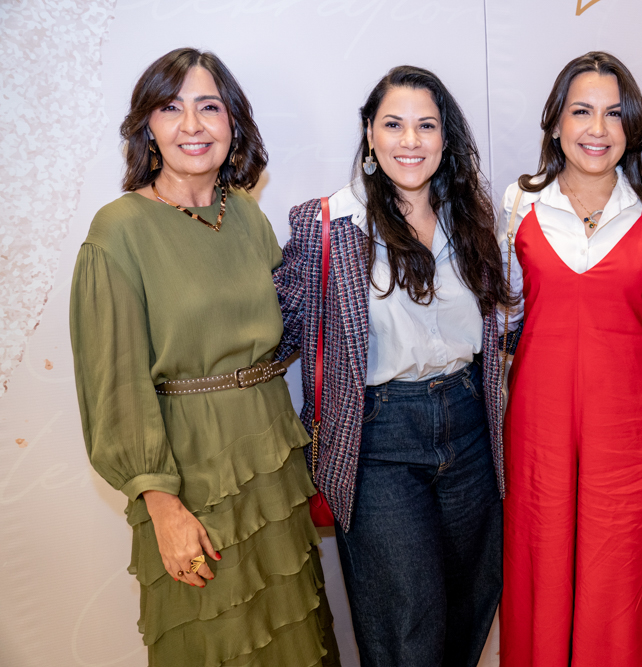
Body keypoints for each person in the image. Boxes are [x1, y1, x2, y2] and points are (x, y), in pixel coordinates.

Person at [69, 48, 340, 666]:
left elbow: (292, 328)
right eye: (171, 108)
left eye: (209, 107)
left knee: (294, 634)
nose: (192, 125)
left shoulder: (245, 213)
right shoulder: (118, 231)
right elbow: (113, 384)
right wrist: (161, 504)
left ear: (233, 123)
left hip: (272, 461)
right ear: (148, 128)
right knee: (214, 640)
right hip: (189, 471)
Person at [272, 66, 510, 667]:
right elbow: (275, 333)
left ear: (446, 139)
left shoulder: (474, 221)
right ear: (370, 136)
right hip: (378, 438)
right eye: (395, 125)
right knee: (406, 630)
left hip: (470, 426)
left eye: (426, 126)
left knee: (469, 609)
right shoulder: (328, 225)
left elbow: (507, 321)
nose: (411, 140)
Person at [498, 51, 642, 667]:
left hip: (632, 429)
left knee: (620, 575)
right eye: (581, 112)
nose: (597, 130)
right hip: (539, 425)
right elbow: (503, 314)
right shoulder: (519, 205)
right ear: (556, 123)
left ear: (632, 126)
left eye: (613, 113)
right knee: (541, 563)